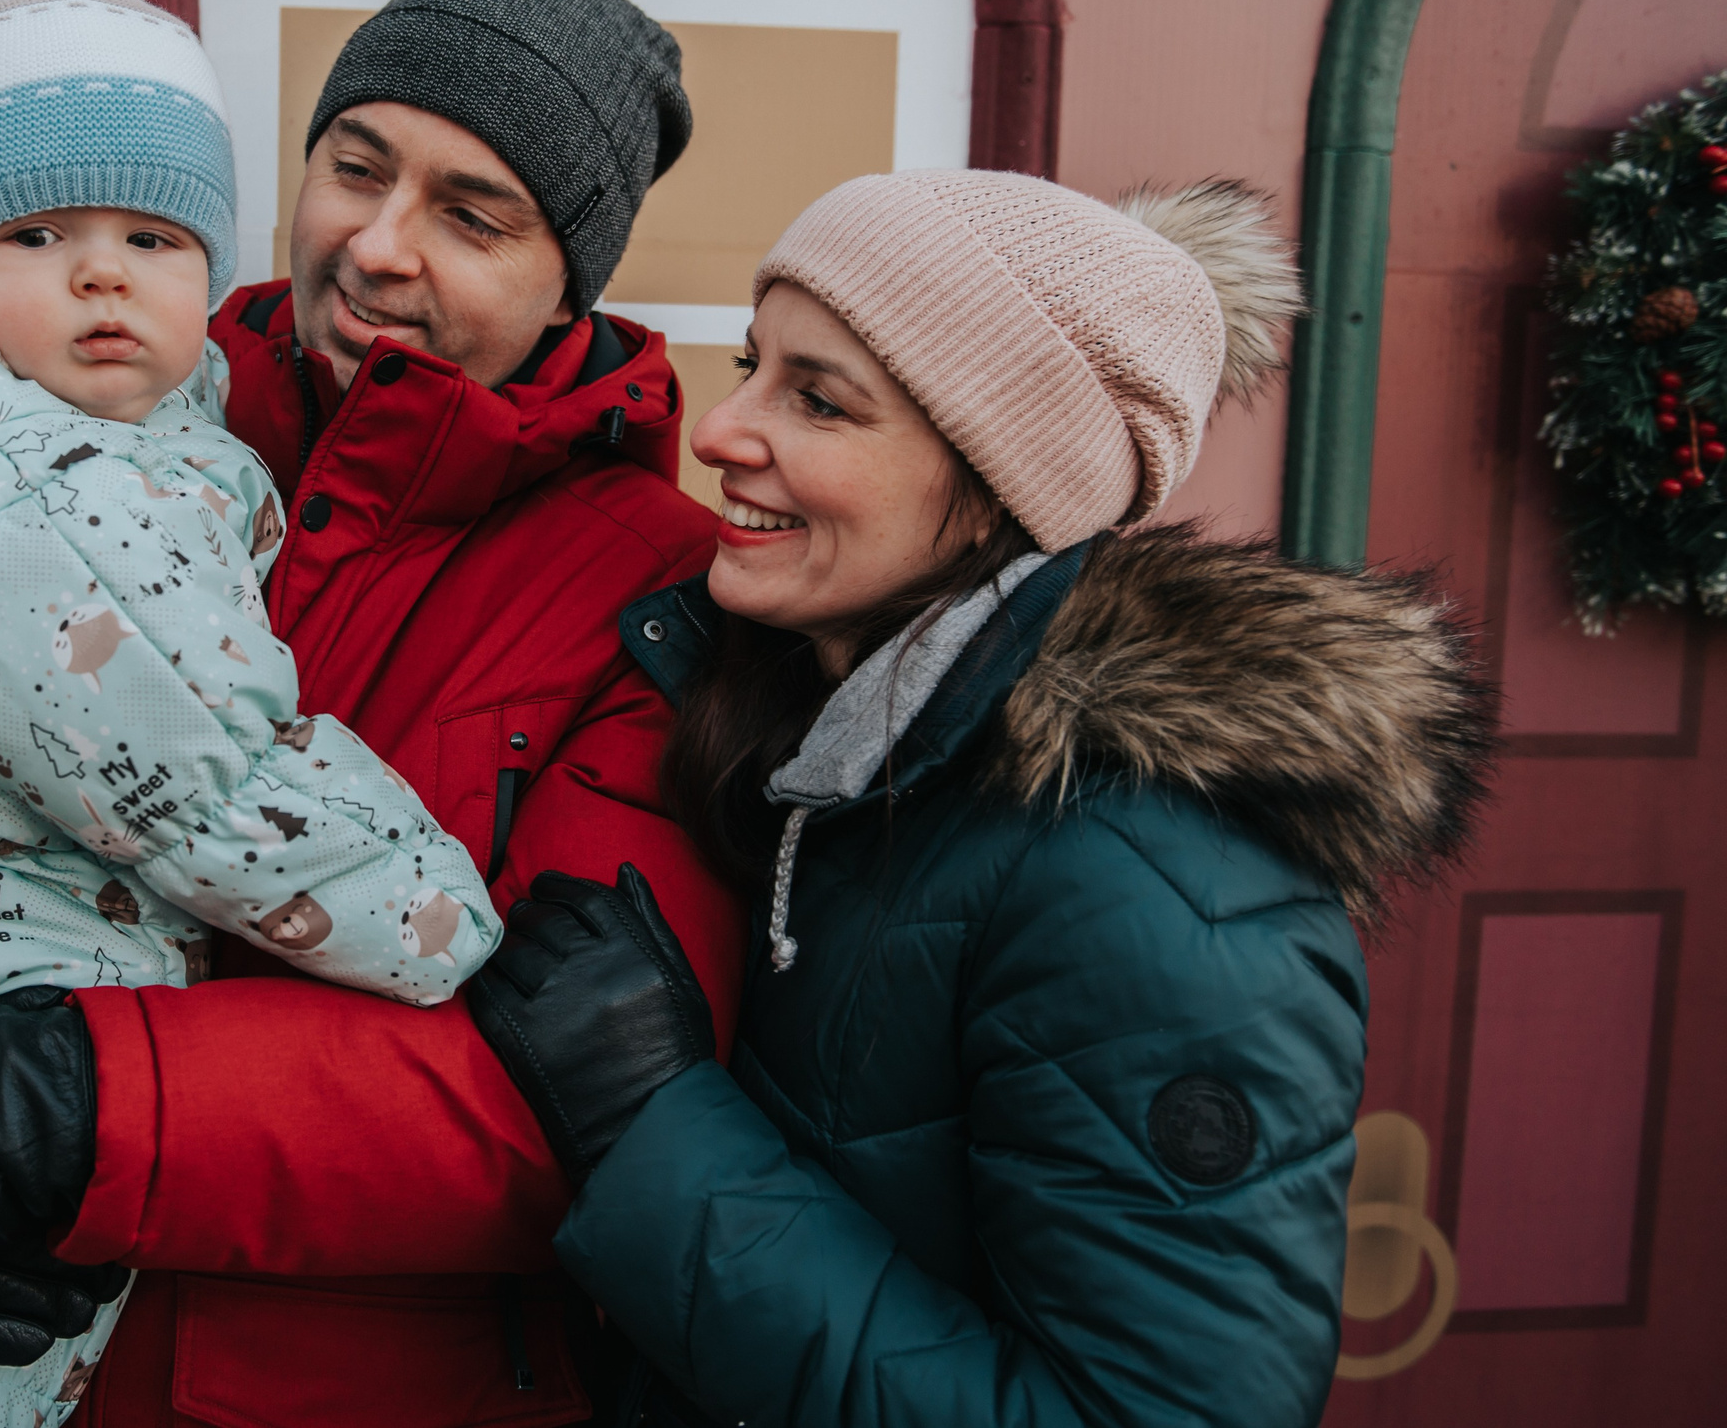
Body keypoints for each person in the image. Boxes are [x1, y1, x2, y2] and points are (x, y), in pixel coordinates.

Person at [0, 0, 739, 1424]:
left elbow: (561, 1100)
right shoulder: (95, 382)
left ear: (568, 278)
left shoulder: (655, 591)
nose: (379, 246)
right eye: (355, 168)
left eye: (473, 217)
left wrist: (59, 1105)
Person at [467, 171, 1497, 1428]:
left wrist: (655, 1126)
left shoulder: (1153, 884)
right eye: (751, 365)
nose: (722, 429)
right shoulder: (832, 753)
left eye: (819, 399)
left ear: (1007, 481)